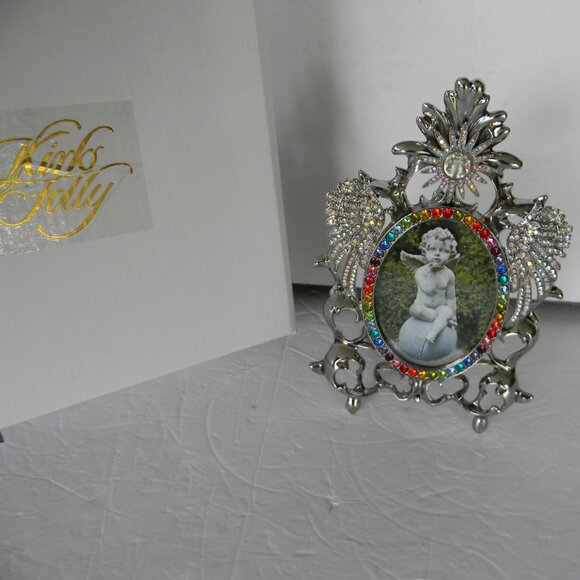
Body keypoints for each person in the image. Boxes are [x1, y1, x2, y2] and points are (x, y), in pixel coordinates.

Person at [401, 227, 459, 346]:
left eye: (444, 250)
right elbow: (428, 289)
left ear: (451, 254)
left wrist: (453, 314)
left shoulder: (449, 274)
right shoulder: (421, 272)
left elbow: (450, 297)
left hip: (440, 307)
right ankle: (440, 321)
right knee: (415, 309)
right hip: (422, 308)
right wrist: (433, 272)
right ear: (424, 252)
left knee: (447, 311)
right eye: (432, 249)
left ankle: (433, 333)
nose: (437, 253)